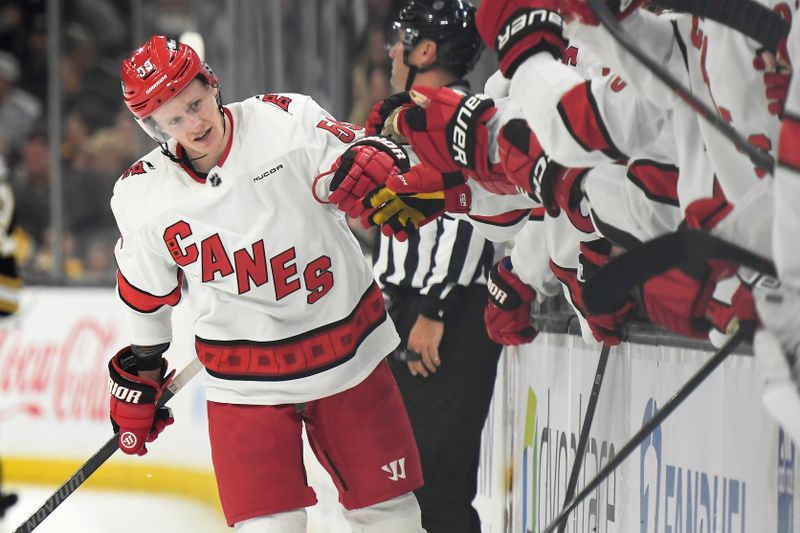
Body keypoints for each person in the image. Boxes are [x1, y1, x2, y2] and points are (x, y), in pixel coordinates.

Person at [108, 35, 428, 532]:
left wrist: (380, 163)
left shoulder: (284, 122)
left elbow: (361, 157)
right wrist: (142, 369)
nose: (195, 124)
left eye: (196, 103)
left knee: (391, 518)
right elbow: (145, 294)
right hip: (244, 383)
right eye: (174, 119)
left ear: (212, 84)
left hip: (348, 356)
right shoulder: (142, 197)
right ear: (153, 128)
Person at [369, 3, 502, 532]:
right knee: (407, 483)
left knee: (437, 485)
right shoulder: (405, 117)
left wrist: (436, 307)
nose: (391, 52)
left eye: (401, 40)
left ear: (426, 50)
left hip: (447, 314)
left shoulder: (463, 114)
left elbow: (475, 213)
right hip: (411, 309)